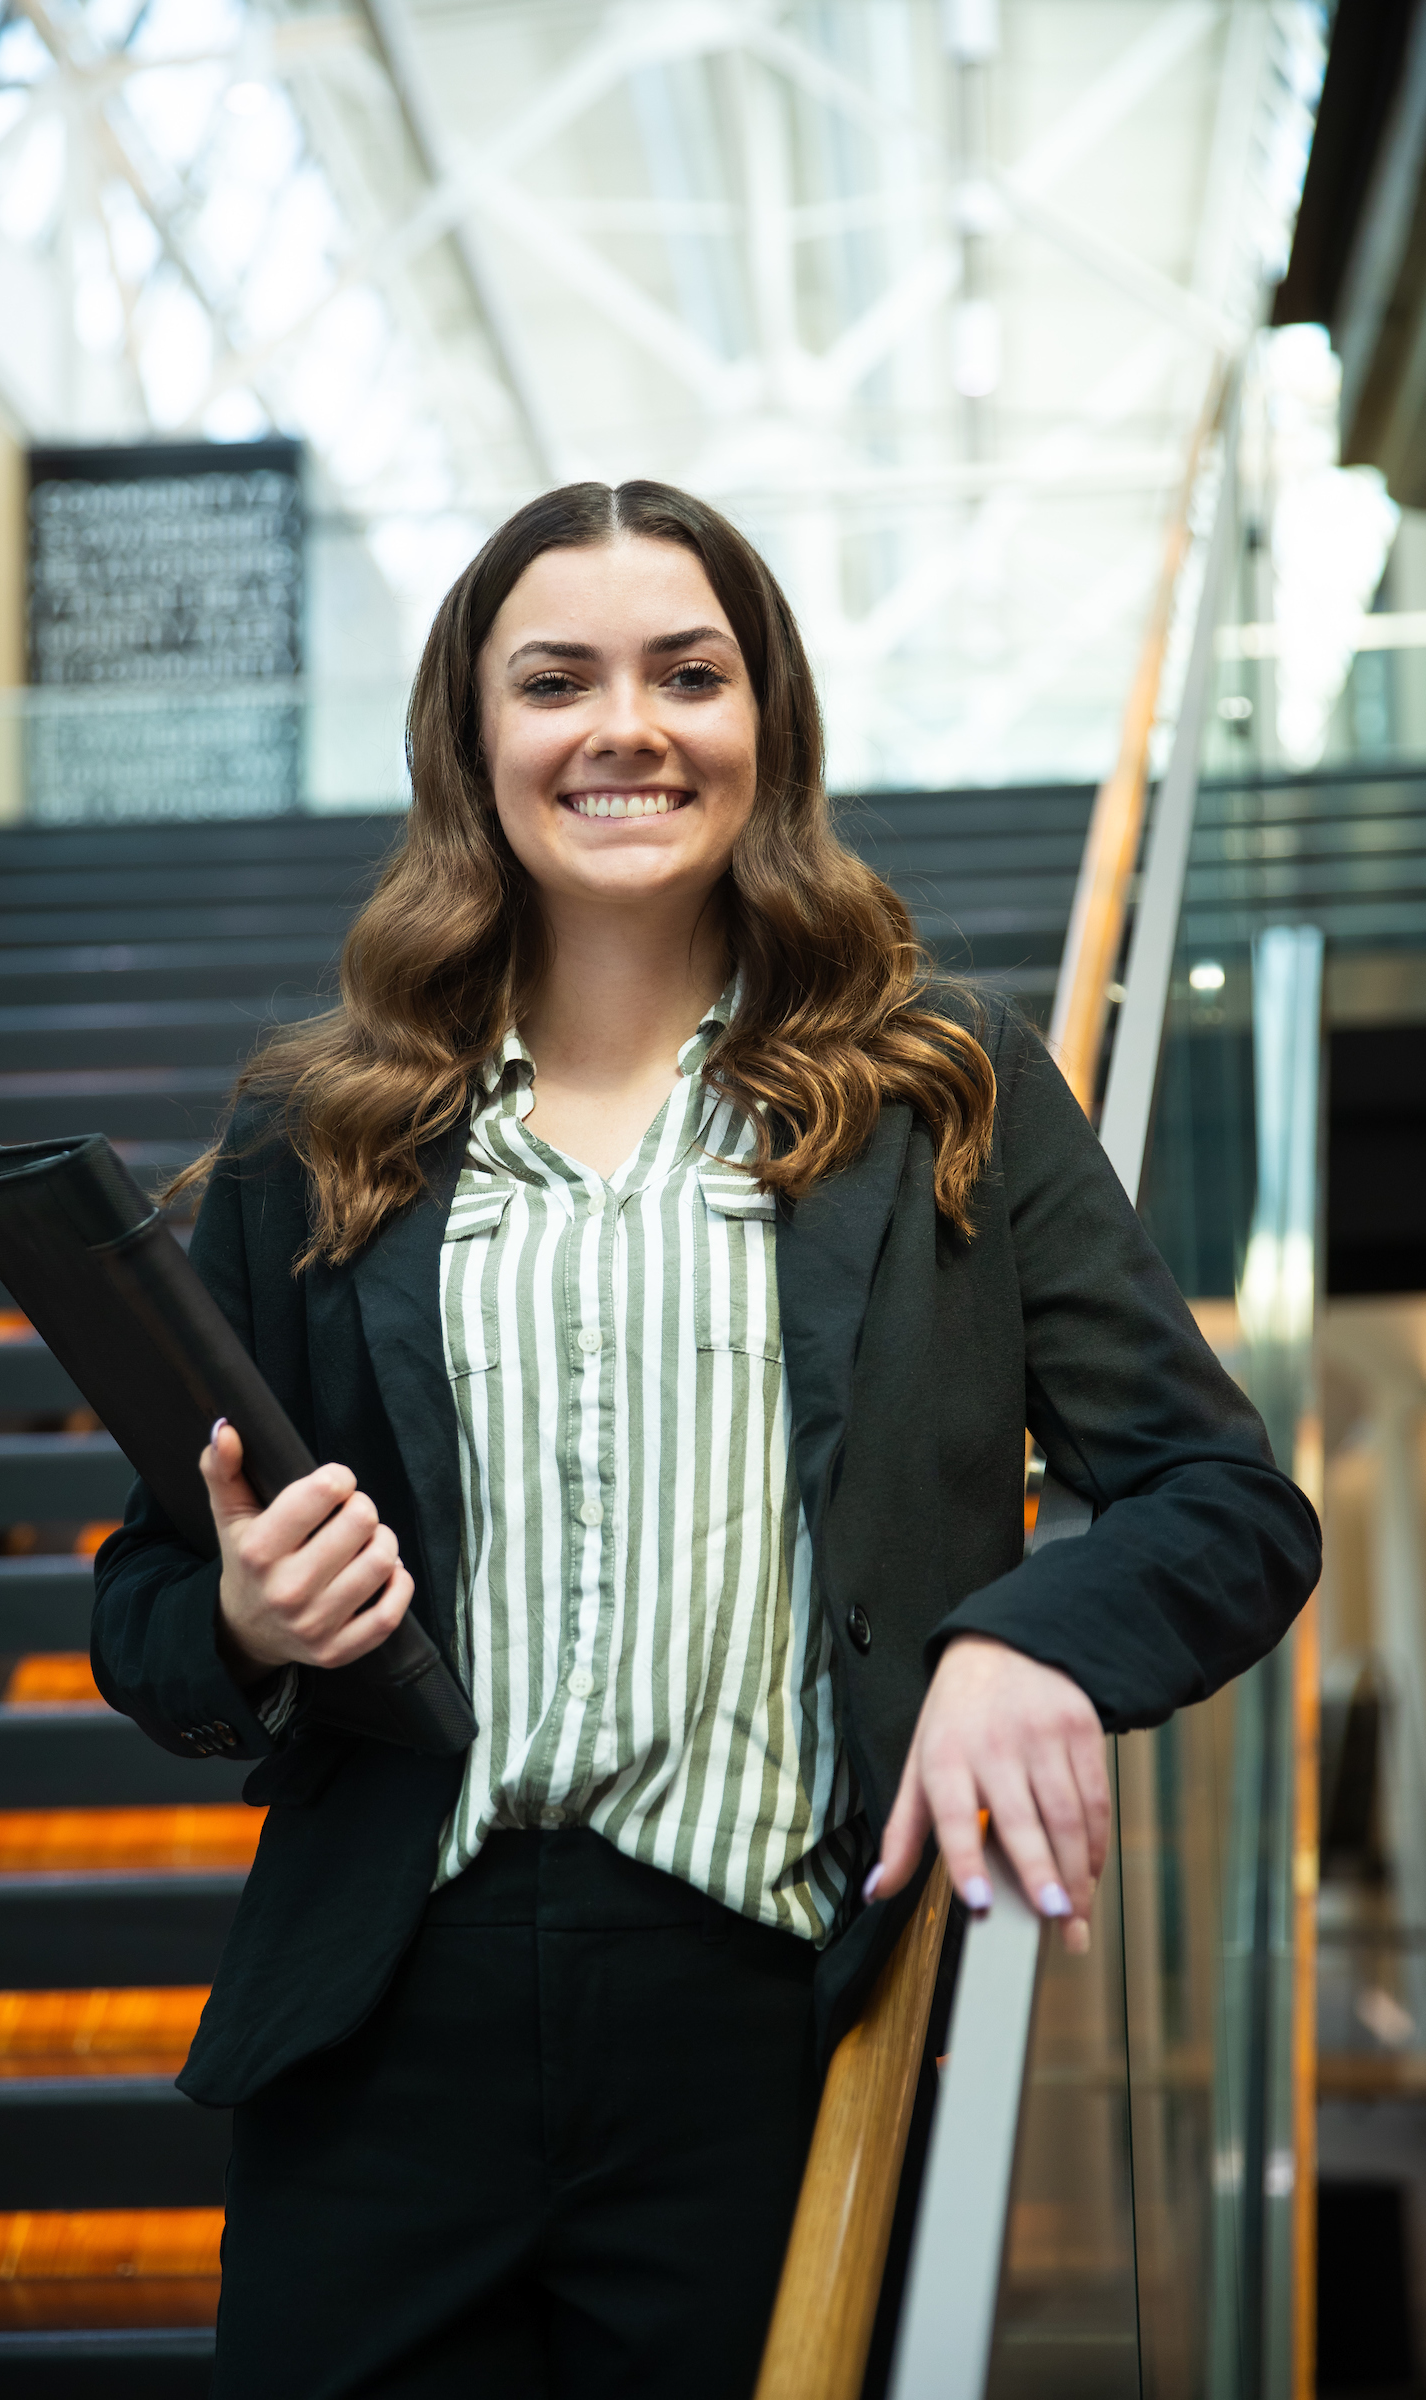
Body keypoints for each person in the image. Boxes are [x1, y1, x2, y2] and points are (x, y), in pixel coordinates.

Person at [92, 479, 1320, 2400]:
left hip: (771, 2022)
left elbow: (1225, 1501)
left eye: (690, 673)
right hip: (387, 2032)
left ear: (770, 726)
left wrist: (1023, 1638)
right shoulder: (316, 1133)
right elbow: (151, 1597)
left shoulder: (945, 1091)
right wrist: (248, 1619)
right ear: (475, 738)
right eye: (556, 680)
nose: (627, 729)